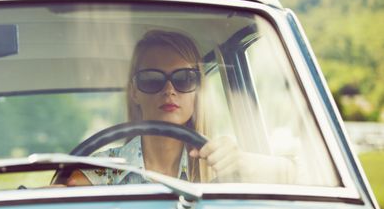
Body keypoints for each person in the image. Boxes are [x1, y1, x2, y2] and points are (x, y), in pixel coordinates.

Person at [67, 30, 296, 186]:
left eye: (184, 78)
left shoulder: (219, 164)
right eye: (152, 79)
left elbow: (314, 177)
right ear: (135, 91)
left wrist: (242, 162)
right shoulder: (98, 172)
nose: (169, 90)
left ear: (197, 90)